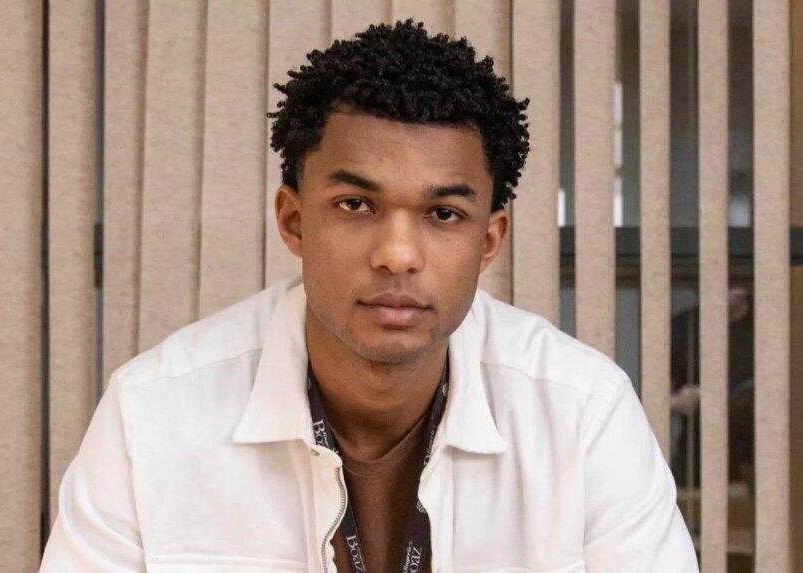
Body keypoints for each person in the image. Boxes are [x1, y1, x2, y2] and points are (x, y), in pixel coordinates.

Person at [39, 20, 698, 572]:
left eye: (444, 214)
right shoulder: (151, 414)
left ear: (489, 240)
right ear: (294, 220)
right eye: (356, 204)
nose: (398, 254)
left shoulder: (583, 415)